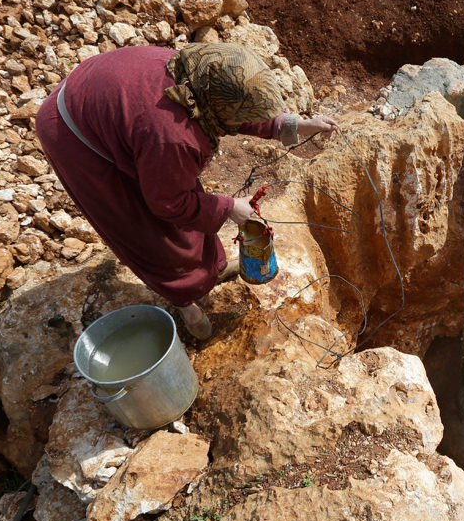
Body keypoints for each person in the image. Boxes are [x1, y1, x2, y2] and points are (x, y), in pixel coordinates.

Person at [35, 43, 338, 340]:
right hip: (72, 135)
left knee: (186, 195)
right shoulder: (173, 137)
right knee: (145, 228)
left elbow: (234, 107)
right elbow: (168, 203)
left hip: (103, 101)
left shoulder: (200, 73)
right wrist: (229, 207)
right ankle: (184, 301)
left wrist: (295, 124)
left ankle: (210, 269)